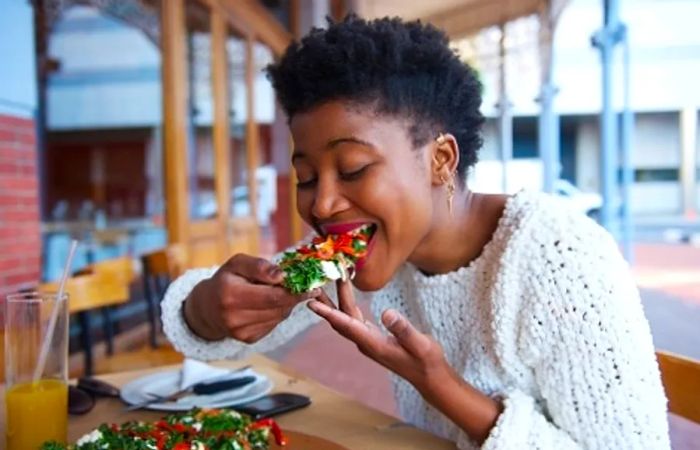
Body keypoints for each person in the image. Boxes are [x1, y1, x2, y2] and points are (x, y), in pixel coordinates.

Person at [161, 16, 670, 449]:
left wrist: (441, 386)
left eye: (355, 168)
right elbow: (210, 337)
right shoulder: (364, 245)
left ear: (440, 161)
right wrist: (209, 306)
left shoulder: (561, 259)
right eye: (307, 177)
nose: (321, 202)